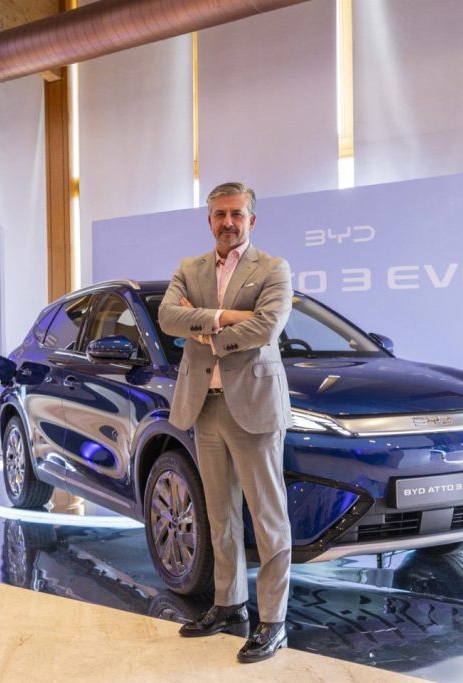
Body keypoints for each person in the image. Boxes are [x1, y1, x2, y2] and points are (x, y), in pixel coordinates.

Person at [158, 181, 293, 663]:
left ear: (251, 220)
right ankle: (229, 605)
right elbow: (168, 317)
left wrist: (207, 331)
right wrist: (226, 316)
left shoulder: (273, 268)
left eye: (236, 214)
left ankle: (273, 621)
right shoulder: (189, 268)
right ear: (209, 219)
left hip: (254, 404)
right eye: (220, 214)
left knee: (268, 518)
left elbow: (267, 325)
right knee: (220, 514)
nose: (228, 222)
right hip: (205, 405)